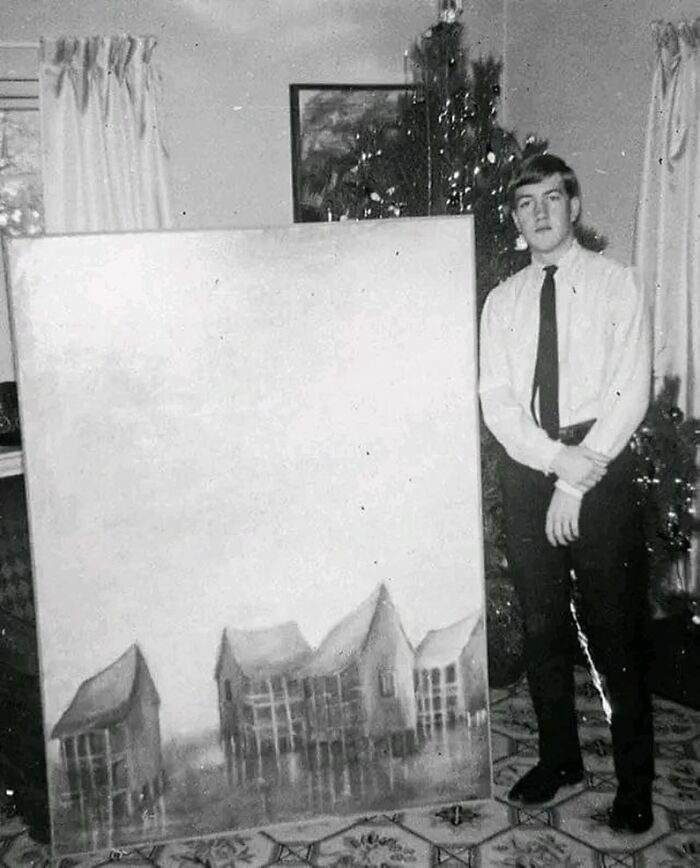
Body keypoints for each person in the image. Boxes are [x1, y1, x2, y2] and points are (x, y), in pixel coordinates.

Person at [479, 153, 655, 833]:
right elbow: (498, 402)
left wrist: (578, 478)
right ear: (516, 218)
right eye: (527, 203)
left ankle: (633, 781)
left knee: (616, 634)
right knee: (542, 627)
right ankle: (561, 759)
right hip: (530, 464)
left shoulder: (617, 284)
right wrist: (555, 464)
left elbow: (628, 390)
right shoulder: (503, 302)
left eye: (552, 198)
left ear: (573, 206)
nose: (541, 213)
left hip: (600, 467)